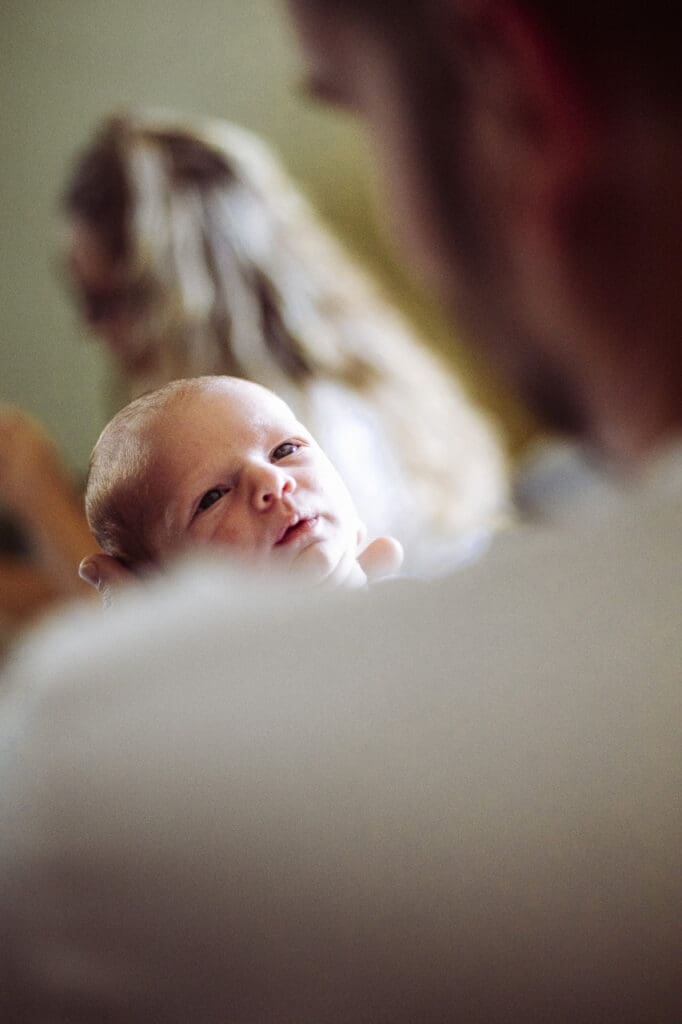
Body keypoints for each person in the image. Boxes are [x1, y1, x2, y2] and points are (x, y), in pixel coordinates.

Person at [1, 2, 680, 1021]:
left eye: (352, 104)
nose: (274, 486)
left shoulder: (86, 767)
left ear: (523, 89)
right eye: (218, 493)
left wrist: (33, 495)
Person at [85, 375, 401, 587]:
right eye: (212, 497)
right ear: (159, 588)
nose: (272, 482)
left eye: (285, 450)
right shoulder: (221, 678)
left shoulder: (410, 606)